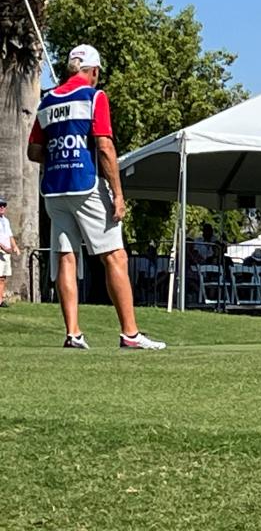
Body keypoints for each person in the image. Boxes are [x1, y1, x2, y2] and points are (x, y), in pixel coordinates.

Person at [26, 44, 165, 349]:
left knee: (66, 257)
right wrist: (118, 194)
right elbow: (104, 147)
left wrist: (59, 152)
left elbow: (34, 151)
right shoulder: (94, 96)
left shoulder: (46, 101)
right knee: (114, 255)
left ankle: (73, 333)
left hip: (54, 189)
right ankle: (130, 333)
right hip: (86, 185)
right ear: (93, 71)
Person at [0, 198, 20, 308]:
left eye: (3, 205)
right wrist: (4, 248)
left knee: (3, 277)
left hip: (5, 252)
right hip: (1, 251)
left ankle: (0, 300)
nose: (2, 207)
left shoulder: (5, 220)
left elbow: (9, 235)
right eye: (0, 205)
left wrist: (15, 246)